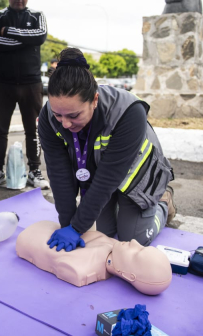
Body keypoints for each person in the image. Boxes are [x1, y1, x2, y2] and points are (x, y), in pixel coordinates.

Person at [39, 48, 176, 249]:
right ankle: (120, 210)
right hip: (99, 170)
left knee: (133, 240)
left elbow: (109, 177)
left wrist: (77, 228)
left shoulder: (129, 112)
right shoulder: (49, 117)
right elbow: (59, 174)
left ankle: (164, 203)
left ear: (94, 100)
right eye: (59, 115)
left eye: (74, 116)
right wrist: (68, 224)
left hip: (136, 175)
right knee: (105, 235)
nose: (65, 123)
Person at [0, 0, 49, 190]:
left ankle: (35, 171)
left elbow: (39, 37)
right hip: (3, 83)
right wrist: (25, 40)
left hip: (31, 83)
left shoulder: (38, 16)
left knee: (34, 130)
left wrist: (9, 33)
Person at [17, 221, 172, 295]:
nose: (134, 242)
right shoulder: (116, 247)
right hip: (44, 229)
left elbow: (59, 262)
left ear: (128, 275)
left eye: (137, 253)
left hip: (29, 237)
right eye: (142, 246)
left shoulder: (82, 270)